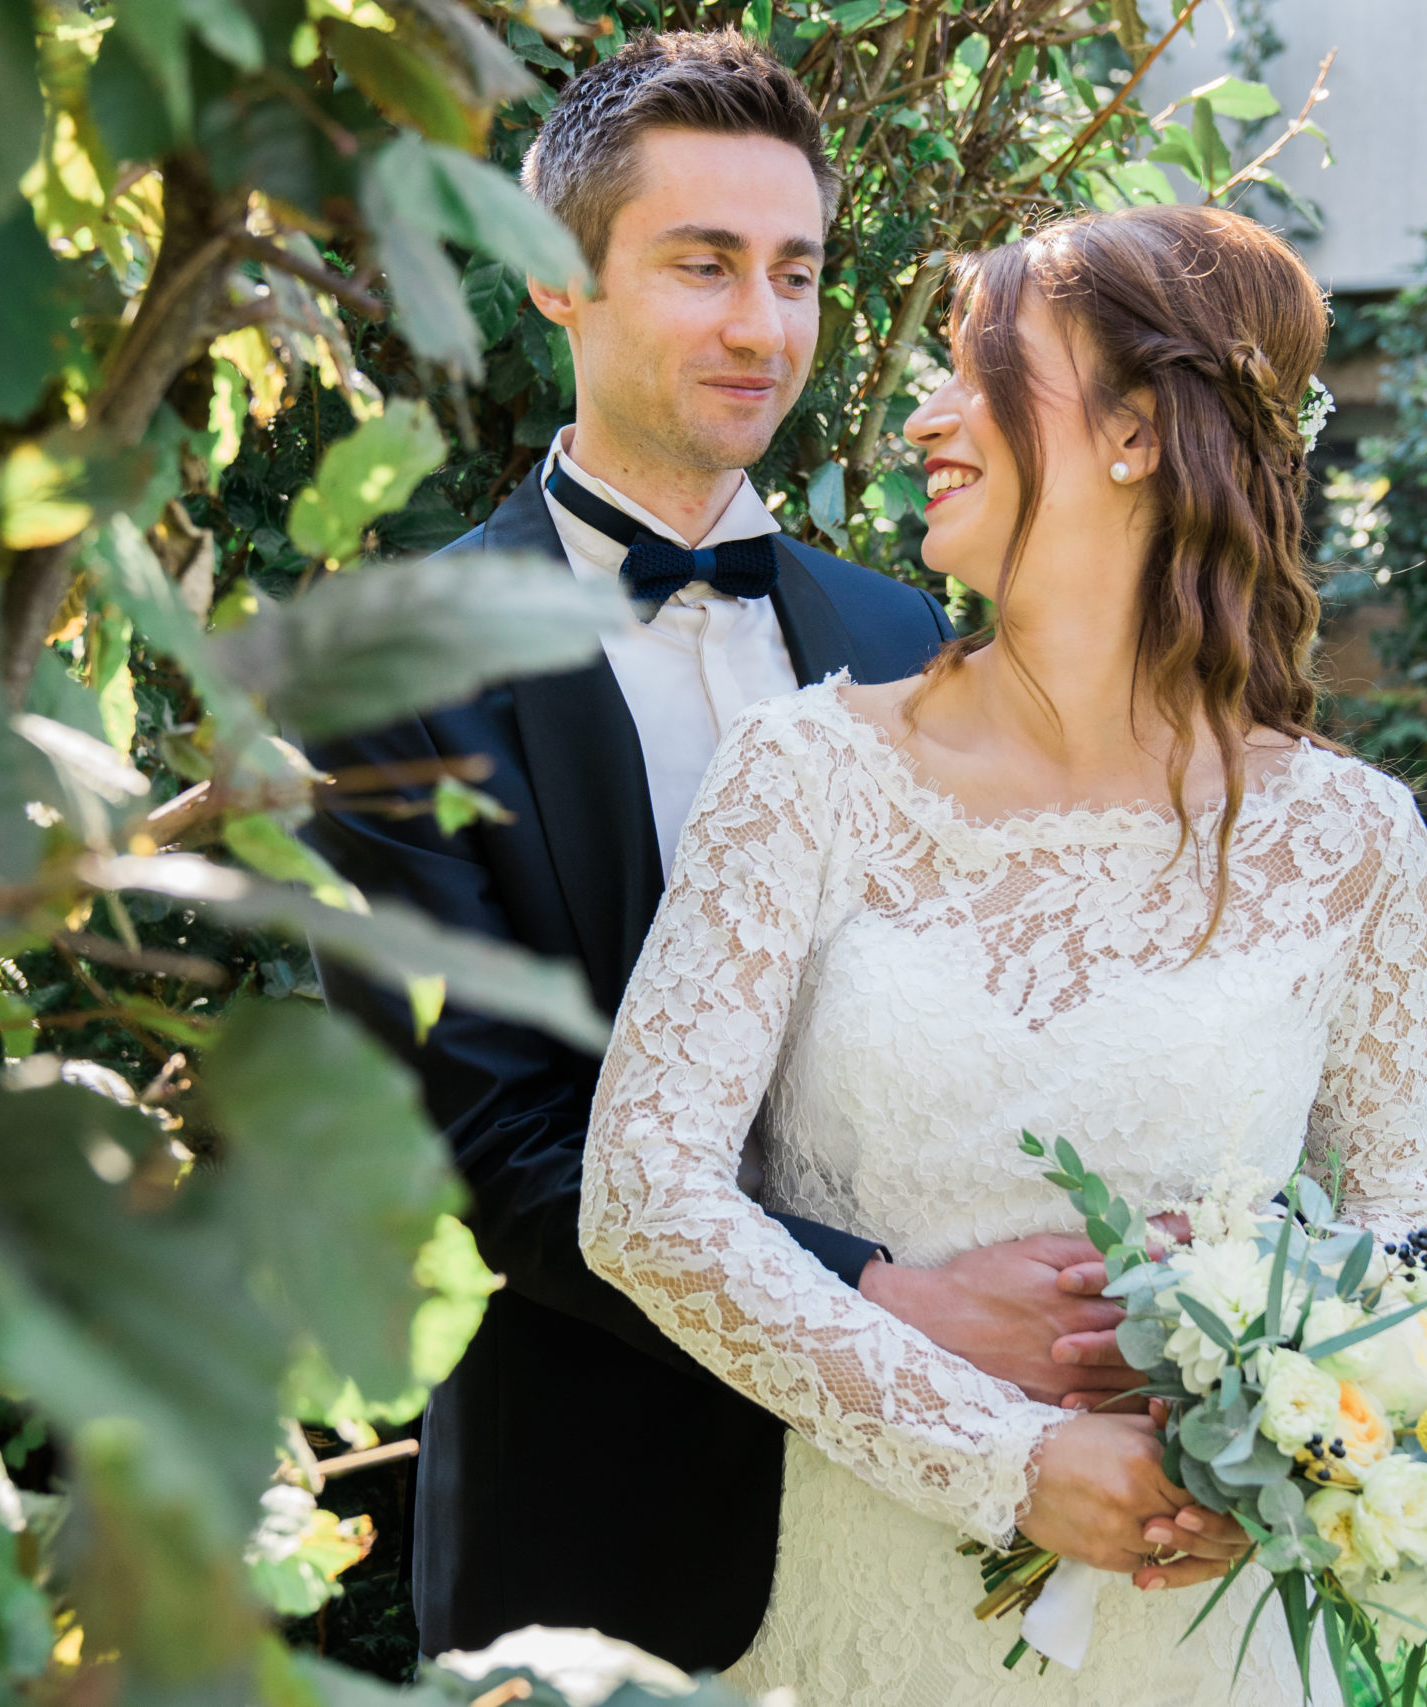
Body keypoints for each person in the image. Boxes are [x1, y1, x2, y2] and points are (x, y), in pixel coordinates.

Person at [305, 31, 1150, 1674]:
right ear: (557, 278)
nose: (765, 327)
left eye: (796, 271)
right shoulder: (393, 670)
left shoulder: (904, 635)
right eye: (704, 266)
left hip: (938, 1500)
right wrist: (884, 1302)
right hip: (597, 1516)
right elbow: (484, 1145)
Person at [578, 202, 1427, 1702]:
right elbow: (642, 1197)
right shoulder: (806, 774)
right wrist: (1008, 1461)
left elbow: (1399, 1239)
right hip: (864, 1606)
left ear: (1133, 433)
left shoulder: (1354, 841)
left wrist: (1281, 1418)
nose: (926, 417)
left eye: (980, 372)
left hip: (1200, 1632)